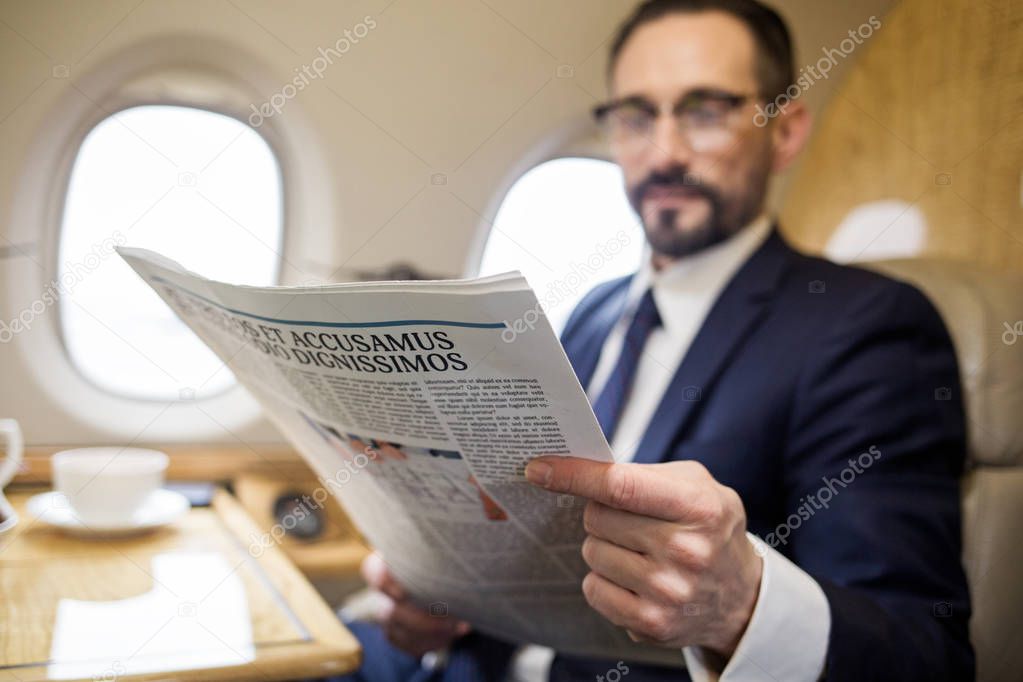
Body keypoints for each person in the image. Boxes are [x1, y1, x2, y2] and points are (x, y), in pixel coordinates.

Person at [340, 1, 974, 680]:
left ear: (784, 131)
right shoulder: (593, 311)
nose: (664, 153)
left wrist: (743, 610)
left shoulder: (867, 327)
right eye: (636, 117)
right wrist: (446, 613)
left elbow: (923, 656)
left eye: (704, 111)